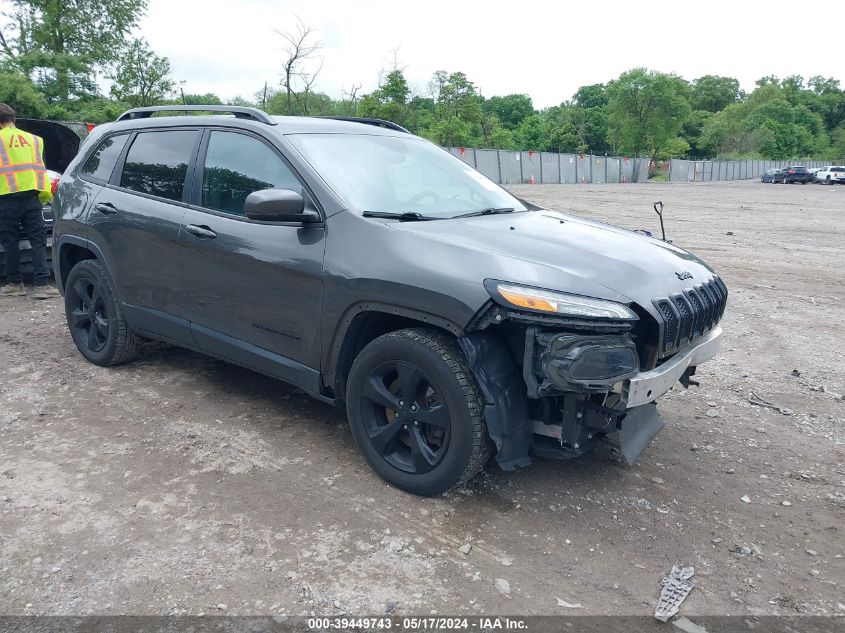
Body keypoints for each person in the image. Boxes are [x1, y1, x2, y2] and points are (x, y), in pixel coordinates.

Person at [0, 103, 59, 299]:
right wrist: (43, 198)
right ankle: (42, 285)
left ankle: (15, 284)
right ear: (13, 119)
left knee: (10, 242)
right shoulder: (35, 140)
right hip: (33, 198)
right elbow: (39, 169)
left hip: (6, 198)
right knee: (38, 241)